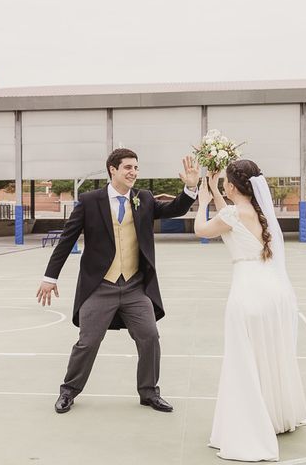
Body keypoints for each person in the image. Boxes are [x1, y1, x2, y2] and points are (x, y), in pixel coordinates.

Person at [37, 148, 199, 413]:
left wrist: (190, 188)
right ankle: (68, 391)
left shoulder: (143, 198)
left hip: (136, 286)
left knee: (150, 337)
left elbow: (174, 209)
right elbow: (66, 240)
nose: (133, 172)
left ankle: (149, 392)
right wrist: (49, 277)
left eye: (136, 168)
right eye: (128, 168)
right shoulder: (90, 201)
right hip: (100, 286)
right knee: (87, 342)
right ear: (113, 169)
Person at [194, 159, 306, 462]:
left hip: (247, 291)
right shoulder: (259, 211)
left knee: (243, 358)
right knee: (269, 352)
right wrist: (214, 189)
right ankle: (277, 414)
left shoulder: (231, 214)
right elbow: (231, 215)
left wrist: (203, 203)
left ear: (234, 186)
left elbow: (203, 229)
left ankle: (250, 424)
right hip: (271, 291)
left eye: (224, 181)